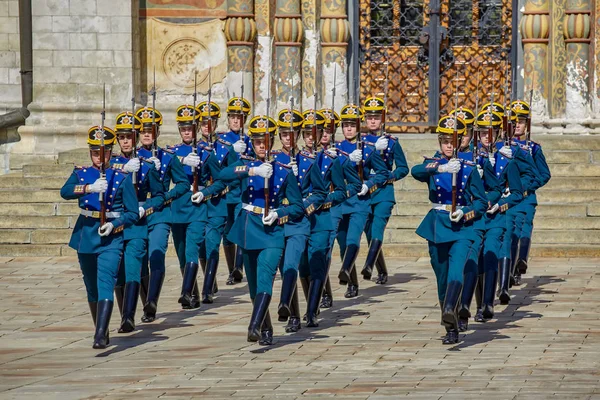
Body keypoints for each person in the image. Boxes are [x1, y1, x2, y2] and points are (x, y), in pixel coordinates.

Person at [219, 115, 304, 345]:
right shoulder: (246, 165)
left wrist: (279, 213)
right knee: (254, 285)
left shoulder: (284, 170)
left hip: (272, 231)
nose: (261, 146)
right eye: (257, 142)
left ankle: (253, 325)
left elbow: (298, 207)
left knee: (266, 276)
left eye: (265, 141)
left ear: (272, 141)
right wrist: (252, 171)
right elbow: (222, 175)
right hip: (249, 229)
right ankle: (265, 328)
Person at [410, 116, 487, 344]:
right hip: (437, 225)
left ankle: (451, 310)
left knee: (456, 272)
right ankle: (450, 325)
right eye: (444, 141)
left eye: (452, 141)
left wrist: (466, 212)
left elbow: (481, 203)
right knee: (442, 278)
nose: (448, 145)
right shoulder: (433, 164)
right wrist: (441, 167)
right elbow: (416, 171)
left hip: (460, 226)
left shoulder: (469, 168)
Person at [60, 126, 138, 349]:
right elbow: (64, 192)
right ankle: (99, 327)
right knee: (91, 286)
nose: (99, 157)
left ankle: (101, 334)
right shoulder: (82, 173)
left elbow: (132, 213)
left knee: (106, 281)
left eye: (103, 152)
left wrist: (115, 224)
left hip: (111, 237)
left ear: (110, 152)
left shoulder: (120, 177)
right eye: (95, 152)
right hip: (86, 234)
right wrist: (88, 188)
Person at [272, 108, 327, 332]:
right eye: (284, 134)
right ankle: (293, 313)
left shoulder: (308, 161)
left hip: (298, 220)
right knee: (284, 266)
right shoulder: (272, 160)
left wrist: (304, 208)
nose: (288, 138)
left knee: (293, 265)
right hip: (277, 220)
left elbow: (320, 193)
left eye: (292, 134)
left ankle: (299, 312)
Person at [110, 112, 165, 332]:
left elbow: (160, 196)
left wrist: (145, 207)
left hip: (136, 225)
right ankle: (124, 309)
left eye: (129, 136)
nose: (125, 141)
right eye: (121, 137)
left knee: (133, 268)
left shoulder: (146, 166)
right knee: (118, 273)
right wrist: (122, 170)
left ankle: (128, 317)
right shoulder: (110, 165)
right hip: (114, 225)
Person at [135, 107, 189, 322]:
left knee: (156, 252)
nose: (147, 134)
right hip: (136, 213)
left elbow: (183, 184)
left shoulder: (167, 157)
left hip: (159, 213)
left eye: (151, 130)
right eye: (143, 131)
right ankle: (146, 298)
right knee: (139, 259)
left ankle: (152, 302)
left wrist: (166, 196)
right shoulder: (130, 159)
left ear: (157, 132)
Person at [332, 104, 388, 298]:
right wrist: (343, 159)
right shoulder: (335, 149)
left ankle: (346, 270)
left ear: (358, 126)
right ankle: (352, 283)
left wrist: (369, 185)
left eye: (352, 125)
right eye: (346, 125)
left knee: (353, 238)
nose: (349, 129)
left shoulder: (368, 148)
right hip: (340, 201)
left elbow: (382, 173)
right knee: (341, 244)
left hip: (360, 201)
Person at [361, 96, 409, 284]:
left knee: (378, 228)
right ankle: (382, 270)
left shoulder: (392, 142)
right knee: (369, 233)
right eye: (369, 117)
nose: (373, 121)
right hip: (365, 191)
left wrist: (390, 176)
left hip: (383, 191)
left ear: (383, 119)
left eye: (376, 117)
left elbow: (403, 168)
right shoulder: (360, 142)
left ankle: (368, 265)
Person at [510, 100, 551, 281]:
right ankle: (509, 267)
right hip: (507, 197)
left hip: (526, 197)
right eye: (513, 122)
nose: (517, 125)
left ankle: (521, 261)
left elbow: (544, 174)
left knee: (524, 229)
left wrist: (528, 186)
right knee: (510, 232)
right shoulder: (502, 147)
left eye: (521, 121)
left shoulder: (533, 148)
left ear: (527, 124)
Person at [218, 96, 253, 285]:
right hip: (225, 193)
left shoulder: (250, 140)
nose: (235, 121)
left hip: (242, 192)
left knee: (240, 227)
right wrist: (231, 150)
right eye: (232, 117)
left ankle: (238, 269)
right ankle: (232, 266)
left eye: (239, 117)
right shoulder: (221, 140)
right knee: (227, 230)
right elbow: (217, 165)